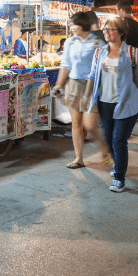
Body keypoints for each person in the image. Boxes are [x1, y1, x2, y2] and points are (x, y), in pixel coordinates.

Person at [86, 17, 138, 193]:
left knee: (118, 140)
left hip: (127, 102)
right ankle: (118, 165)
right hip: (105, 102)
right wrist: (87, 97)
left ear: (121, 32)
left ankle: (119, 178)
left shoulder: (132, 53)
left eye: (111, 29)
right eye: (105, 29)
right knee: (108, 139)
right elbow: (92, 76)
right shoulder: (99, 52)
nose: (106, 32)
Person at [53, 11, 107, 169]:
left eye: (73, 25)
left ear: (82, 25)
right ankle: (79, 158)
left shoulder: (97, 41)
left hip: (92, 86)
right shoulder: (70, 42)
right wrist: (59, 84)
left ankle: (105, 146)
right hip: (74, 85)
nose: (71, 28)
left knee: (90, 125)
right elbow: (66, 65)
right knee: (76, 123)